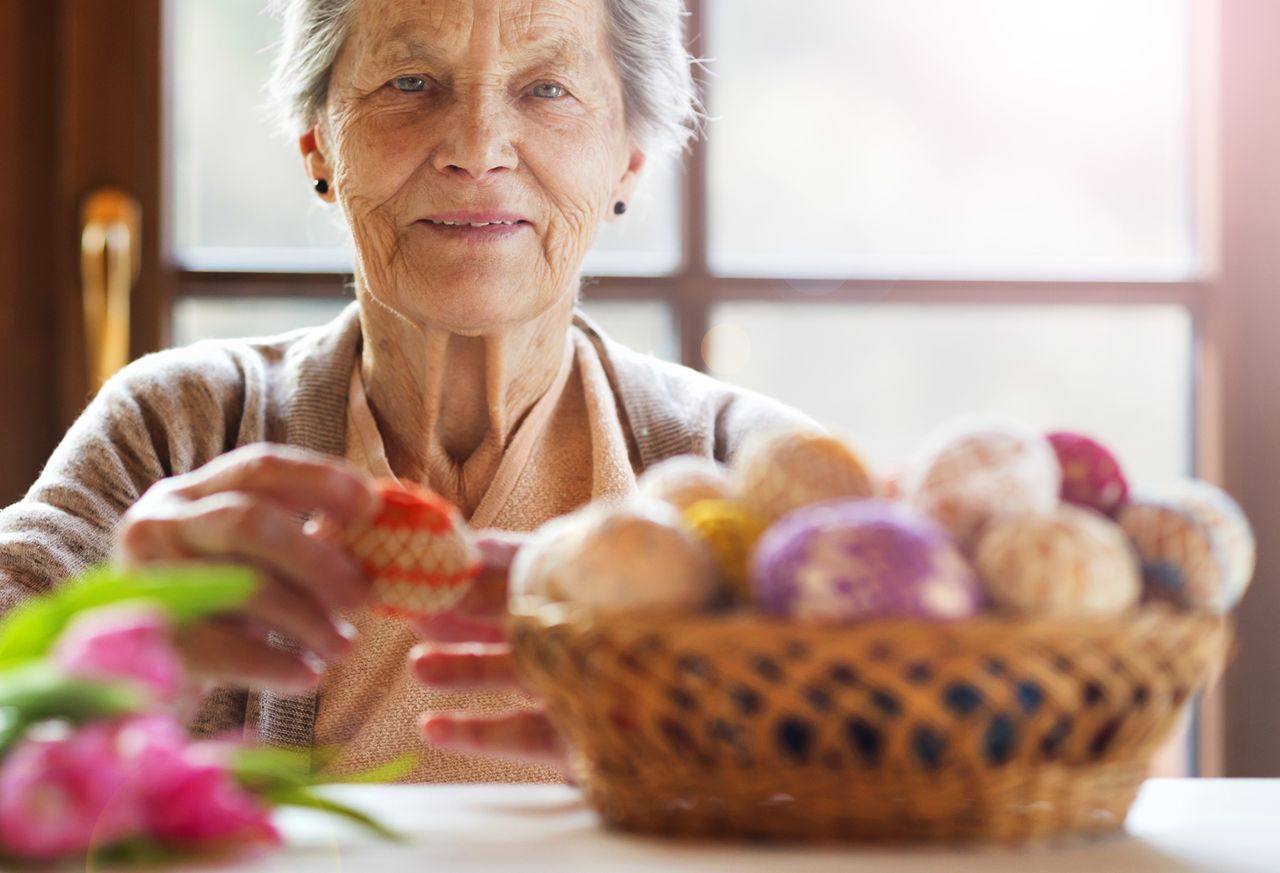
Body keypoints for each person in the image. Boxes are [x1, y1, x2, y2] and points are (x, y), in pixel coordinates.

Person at [0, 0, 812, 782]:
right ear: (318, 144)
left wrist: (715, 760)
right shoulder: (178, 426)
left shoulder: (746, 469)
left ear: (627, 159)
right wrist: (95, 648)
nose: (477, 147)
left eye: (547, 89)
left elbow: (898, 761)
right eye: (410, 83)